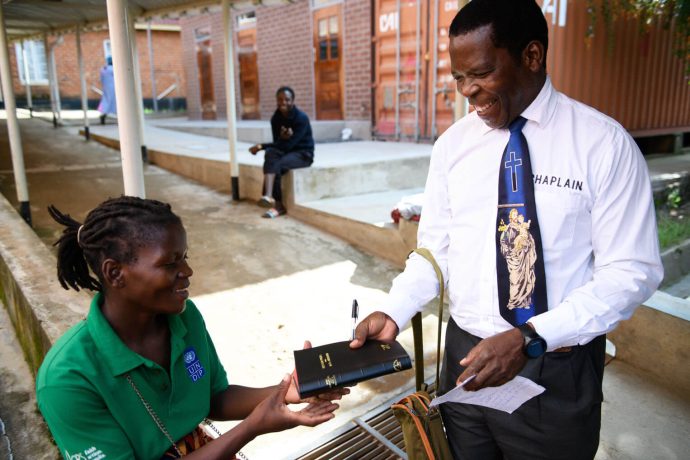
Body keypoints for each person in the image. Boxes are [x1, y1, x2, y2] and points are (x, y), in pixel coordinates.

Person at [350, 1, 663, 459]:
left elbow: (630, 271)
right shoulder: (453, 147)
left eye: (480, 73)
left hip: (554, 369)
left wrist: (530, 338)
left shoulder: (603, 145)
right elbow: (434, 252)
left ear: (532, 57)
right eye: (458, 79)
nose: (468, 92)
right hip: (464, 363)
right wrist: (395, 310)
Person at [36, 196, 345, 460]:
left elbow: (213, 398)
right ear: (115, 273)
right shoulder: (66, 379)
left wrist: (287, 392)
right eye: (170, 263)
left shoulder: (184, 318)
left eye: (184, 258)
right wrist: (253, 426)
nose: (188, 271)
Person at [249, 86, 315, 218]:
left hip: (303, 154)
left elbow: (288, 145)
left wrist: (261, 146)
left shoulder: (301, 118)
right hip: (286, 151)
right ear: (276, 100)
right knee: (271, 154)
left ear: (293, 101)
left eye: (287, 99)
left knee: (276, 165)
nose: (283, 102)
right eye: (280, 99)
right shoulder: (276, 118)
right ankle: (268, 197)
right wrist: (278, 141)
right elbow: (278, 144)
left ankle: (277, 205)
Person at [98, 56, 116, 125]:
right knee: (114, 102)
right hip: (113, 88)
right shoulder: (113, 69)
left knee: (105, 101)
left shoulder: (103, 69)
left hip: (105, 88)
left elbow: (101, 79)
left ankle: (103, 114)